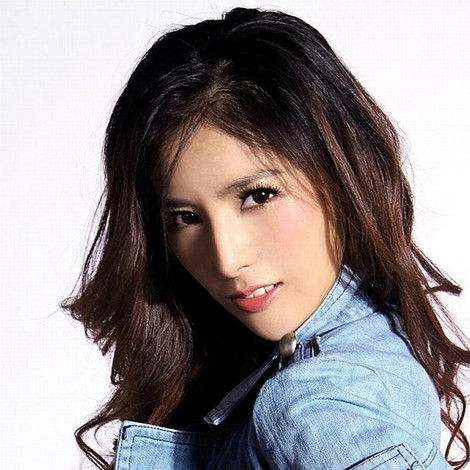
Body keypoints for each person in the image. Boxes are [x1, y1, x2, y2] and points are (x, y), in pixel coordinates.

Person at [61, 6, 470, 470]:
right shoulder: (356, 340)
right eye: (185, 217)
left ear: (341, 176)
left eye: (258, 195)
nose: (226, 260)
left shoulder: (316, 407)